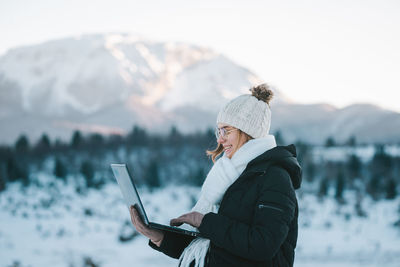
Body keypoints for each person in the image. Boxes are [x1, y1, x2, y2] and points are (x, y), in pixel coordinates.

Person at [129, 83, 302, 267]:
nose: (220, 139)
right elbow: (211, 247)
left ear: (248, 131)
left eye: (226, 130)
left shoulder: (275, 178)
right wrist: (158, 237)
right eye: (218, 131)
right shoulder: (229, 175)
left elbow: (262, 245)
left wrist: (205, 222)